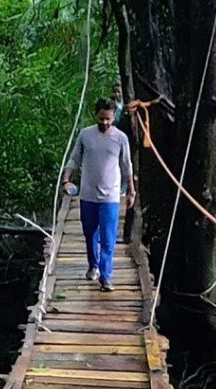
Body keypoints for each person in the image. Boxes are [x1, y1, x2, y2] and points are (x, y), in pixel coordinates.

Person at [62, 98, 136, 292]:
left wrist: (131, 190)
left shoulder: (120, 138)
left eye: (109, 119)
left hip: (110, 196)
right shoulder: (85, 135)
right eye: (102, 118)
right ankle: (93, 265)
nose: (105, 123)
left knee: (108, 238)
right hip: (87, 195)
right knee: (90, 234)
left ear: (113, 117)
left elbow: (127, 165)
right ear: (96, 115)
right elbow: (74, 158)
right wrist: (66, 179)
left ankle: (106, 276)